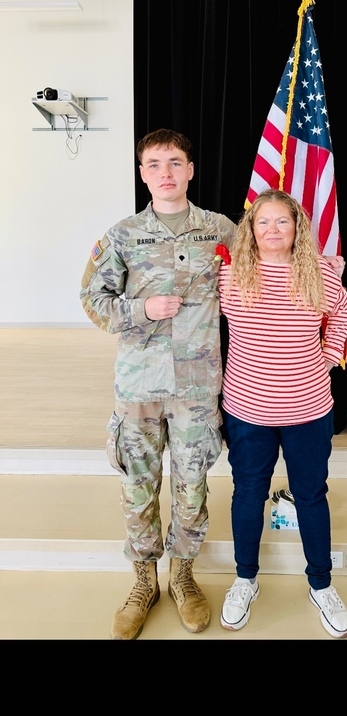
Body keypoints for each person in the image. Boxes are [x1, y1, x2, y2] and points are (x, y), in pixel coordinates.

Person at [80, 129, 236, 639]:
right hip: (140, 387)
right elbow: (92, 298)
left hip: (197, 387)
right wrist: (140, 309)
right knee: (138, 488)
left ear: (191, 169)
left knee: (192, 488)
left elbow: (263, 272)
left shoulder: (221, 231)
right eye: (154, 164)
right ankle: (144, 580)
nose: (165, 172)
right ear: (142, 173)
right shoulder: (122, 235)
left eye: (174, 162)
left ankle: (183, 575)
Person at [218, 190, 347, 638]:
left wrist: (329, 356)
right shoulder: (230, 275)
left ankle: (321, 584)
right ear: (250, 231)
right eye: (263, 222)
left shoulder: (320, 276)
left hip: (308, 409)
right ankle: (245, 579)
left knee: (311, 495)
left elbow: (342, 311)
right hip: (247, 408)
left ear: (297, 228)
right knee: (248, 493)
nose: (272, 230)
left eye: (282, 222)